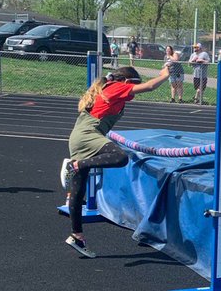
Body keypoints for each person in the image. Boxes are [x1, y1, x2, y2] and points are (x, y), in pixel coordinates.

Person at [61, 64, 170, 257]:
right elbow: (150, 87)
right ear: (127, 82)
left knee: (78, 194)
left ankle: (77, 236)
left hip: (79, 135)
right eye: (135, 85)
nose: (135, 89)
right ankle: (75, 164)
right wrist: (165, 75)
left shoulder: (109, 88)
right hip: (88, 134)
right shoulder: (116, 86)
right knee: (120, 158)